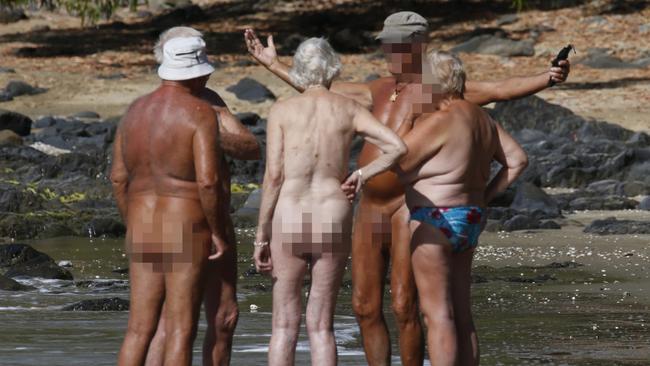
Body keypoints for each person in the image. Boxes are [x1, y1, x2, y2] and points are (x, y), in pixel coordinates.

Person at [244, 10, 570, 366]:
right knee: (364, 306)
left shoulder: (437, 90)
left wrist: (547, 77)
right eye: (386, 46)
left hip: (407, 204)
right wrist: (272, 65)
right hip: (367, 205)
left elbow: (498, 91)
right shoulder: (377, 89)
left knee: (404, 304)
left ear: (418, 46)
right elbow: (319, 90)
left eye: (397, 46)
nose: (389, 53)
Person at [252, 37, 406, 366]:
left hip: (290, 214)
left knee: (283, 326)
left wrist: (261, 235)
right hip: (332, 215)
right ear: (333, 68)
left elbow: (274, 177)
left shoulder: (281, 110)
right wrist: (362, 174)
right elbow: (396, 147)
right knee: (322, 327)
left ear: (298, 70)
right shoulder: (348, 109)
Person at [395, 50, 528, 366]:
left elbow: (396, 160)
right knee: (462, 313)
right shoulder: (482, 117)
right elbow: (518, 160)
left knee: (438, 315)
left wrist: (409, 117)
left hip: (435, 218)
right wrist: (485, 195)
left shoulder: (441, 119)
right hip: (470, 217)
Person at [144, 27, 261, 366]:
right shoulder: (167, 107)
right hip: (192, 221)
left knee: (221, 318)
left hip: (190, 221)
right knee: (174, 321)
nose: (208, 73)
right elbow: (243, 154)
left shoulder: (204, 102)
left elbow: (250, 148)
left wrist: (204, 127)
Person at [112, 36, 229, 366]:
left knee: (138, 329)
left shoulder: (134, 111)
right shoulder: (199, 113)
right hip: (185, 225)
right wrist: (218, 231)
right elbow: (208, 181)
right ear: (195, 72)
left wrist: (130, 221)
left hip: (142, 224)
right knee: (181, 328)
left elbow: (119, 178)